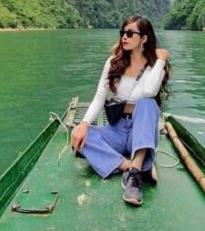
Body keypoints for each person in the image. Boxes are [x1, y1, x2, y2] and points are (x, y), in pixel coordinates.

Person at [70, 15, 171, 206]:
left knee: (147, 103)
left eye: (130, 33)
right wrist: (83, 125)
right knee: (80, 136)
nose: (124, 36)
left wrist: (161, 61)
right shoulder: (113, 62)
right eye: (123, 32)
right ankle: (133, 168)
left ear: (144, 38)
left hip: (140, 132)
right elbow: (99, 97)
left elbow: (149, 92)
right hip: (116, 128)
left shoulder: (155, 66)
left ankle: (134, 179)